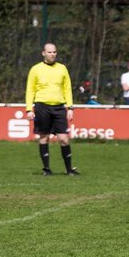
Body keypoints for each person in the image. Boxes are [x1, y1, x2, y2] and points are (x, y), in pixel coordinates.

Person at [25, 42, 79, 176]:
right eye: (49, 52)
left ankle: (69, 169)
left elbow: (67, 89)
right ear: (43, 53)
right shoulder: (35, 69)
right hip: (42, 107)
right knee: (44, 137)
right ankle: (46, 169)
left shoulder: (62, 69)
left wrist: (70, 107)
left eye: (54, 52)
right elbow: (30, 90)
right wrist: (29, 109)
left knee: (64, 139)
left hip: (59, 108)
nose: (52, 54)